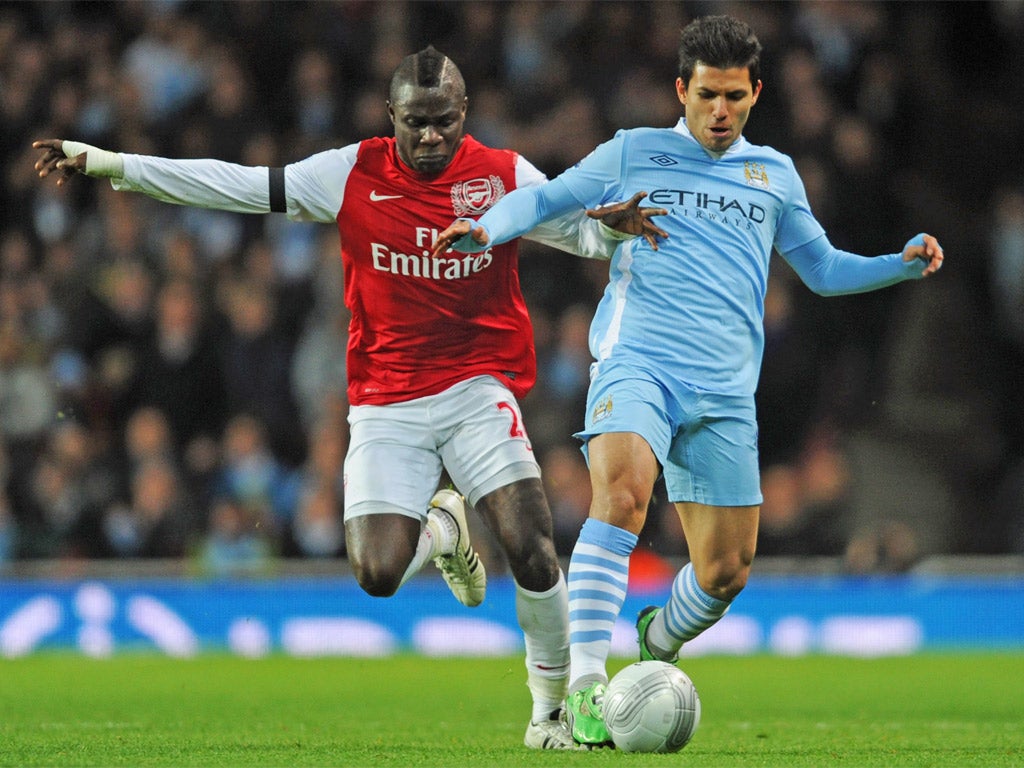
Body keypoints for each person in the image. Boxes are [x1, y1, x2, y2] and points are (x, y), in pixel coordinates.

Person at [33, 46, 664, 750]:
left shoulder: (502, 175)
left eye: (444, 123)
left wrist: (613, 229)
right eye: (416, 123)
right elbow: (230, 184)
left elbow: (573, 229)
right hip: (386, 403)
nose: (430, 138)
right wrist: (113, 164)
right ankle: (443, 532)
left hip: (476, 386)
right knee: (376, 573)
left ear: (465, 115)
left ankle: (550, 711)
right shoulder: (349, 173)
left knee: (532, 545)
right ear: (390, 116)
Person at [431, 15, 944, 747]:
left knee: (727, 571)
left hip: (726, 394)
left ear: (756, 92)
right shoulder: (634, 152)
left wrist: (898, 262)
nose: (720, 111)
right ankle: (581, 690)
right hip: (639, 363)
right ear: (682, 89)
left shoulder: (774, 175)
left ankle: (659, 633)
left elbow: (824, 270)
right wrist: (488, 227)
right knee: (625, 492)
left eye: (735, 96)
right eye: (707, 95)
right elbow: (545, 201)